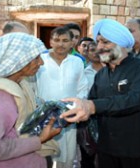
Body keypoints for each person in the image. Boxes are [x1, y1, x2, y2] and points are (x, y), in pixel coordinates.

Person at [60, 18, 140, 168]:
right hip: (106, 150)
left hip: (136, 149)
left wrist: (92, 106)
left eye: (105, 42)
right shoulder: (101, 75)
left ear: (122, 44)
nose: (99, 47)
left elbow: (136, 100)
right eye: (98, 42)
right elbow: (91, 104)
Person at [0, 33, 61, 168]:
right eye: (35, 58)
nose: (41, 62)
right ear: (17, 60)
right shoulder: (1, 99)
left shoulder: (21, 85)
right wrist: (39, 140)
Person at [36, 26, 88, 168]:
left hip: (68, 117)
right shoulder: (40, 61)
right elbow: (33, 87)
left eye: (65, 40)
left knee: (67, 158)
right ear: (50, 41)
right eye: (56, 40)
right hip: (43, 117)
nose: (60, 44)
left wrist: (73, 109)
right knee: (43, 156)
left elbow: (82, 88)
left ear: (72, 43)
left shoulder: (77, 62)